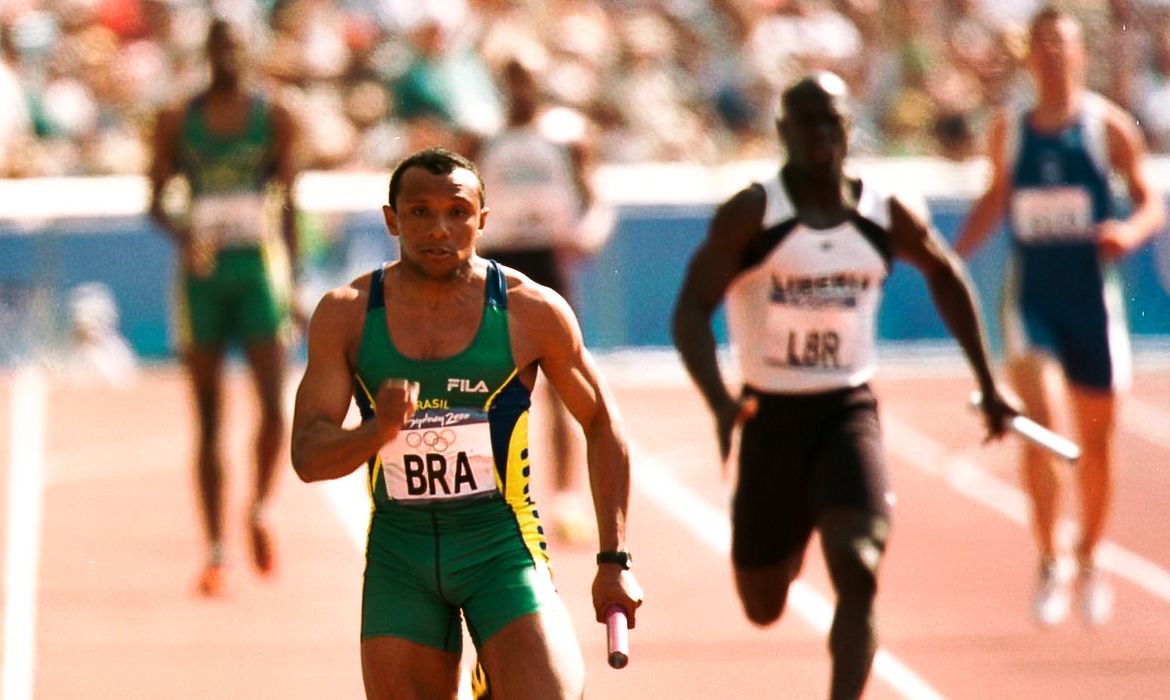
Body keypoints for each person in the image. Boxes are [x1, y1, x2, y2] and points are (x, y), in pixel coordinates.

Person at [672, 71, 1015, 700]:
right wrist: (720, 400)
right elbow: (691, 308)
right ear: (783, 132)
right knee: (762, 603)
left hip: (845, 411)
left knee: (859, 571)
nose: (821, 135)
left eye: (833, 121)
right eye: (807, 122)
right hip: (769, 418)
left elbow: (946, 275)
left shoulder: (884, 212)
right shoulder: (754, 212)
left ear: (850, 128)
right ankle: (798, 520)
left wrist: (989, 383)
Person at [289, 146, 642, 700]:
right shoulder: (347, 313)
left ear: (482, 219)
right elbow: (308, 457)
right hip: (398, 555)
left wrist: (614, 560)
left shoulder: (531, 310)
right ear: (391, 220)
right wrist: (375, 431)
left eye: (457, 212)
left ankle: (492, 676)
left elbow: (601, 421)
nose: (440, 229)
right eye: (420, 213)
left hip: (499, 545)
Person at [954, 6, 1165, 628]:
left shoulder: (1107, 129)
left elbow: (1150, 198)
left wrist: (1130, 230)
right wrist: (948, 257)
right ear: (1029, 56)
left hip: (1092, 305)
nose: (1051, 53)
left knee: (1095, 443)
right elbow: (995, 198)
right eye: (1041, 43)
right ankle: (1050, 558)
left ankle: (1090, 556)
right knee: (1040, 422)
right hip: (1032, 301)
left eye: (1061, 43)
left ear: (1079, 53)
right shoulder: (1011, 132)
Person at [148, 17, 301, 597]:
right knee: (208, 416)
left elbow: (289, 198)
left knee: (272, 404)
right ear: (206, 52)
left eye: (236, 45)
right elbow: (156, 201)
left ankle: (260, 507)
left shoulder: (276, 115)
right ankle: (215, 549)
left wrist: (295, 281)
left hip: (259, 269)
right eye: (218, 46)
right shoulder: (177, 121)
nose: (227, 56)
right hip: (203, 277)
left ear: (249, 51)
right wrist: (188, 234)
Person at [473, 56, 607, 544]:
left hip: (548, 261)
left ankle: (567, 497)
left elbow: (594, 198)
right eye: (510, 80)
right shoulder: (482, 139)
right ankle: (490, 493)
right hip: (496, 261)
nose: (519, 89)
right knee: (490, 380)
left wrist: (587, 234)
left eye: (526, 78)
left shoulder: (564, 138)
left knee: (560, 378)